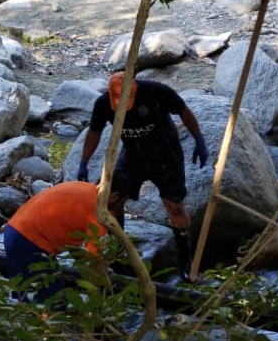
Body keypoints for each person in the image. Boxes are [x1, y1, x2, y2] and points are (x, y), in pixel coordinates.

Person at [75, 71, 208, 279]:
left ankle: (185, 257)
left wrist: (199, 139)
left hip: (166, 157)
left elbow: (183, 110)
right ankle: (118, 254)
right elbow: (94, 131)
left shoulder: (156, 92)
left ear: (134, 89)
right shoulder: (103, 104)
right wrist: (83, 162)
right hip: (132, 158)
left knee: (174, 206)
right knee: (111, 198)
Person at [4, 173, 135, 301]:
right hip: (27, 242)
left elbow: (75, 249)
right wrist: (96, 301)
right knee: (52, 300)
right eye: (123, 202)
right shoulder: (97, 212)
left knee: (30, 295)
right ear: (114, 196)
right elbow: (94, 263)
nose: (122, 209)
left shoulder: (83, 188)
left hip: (14, 231)